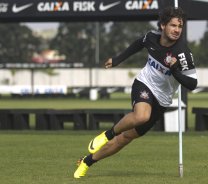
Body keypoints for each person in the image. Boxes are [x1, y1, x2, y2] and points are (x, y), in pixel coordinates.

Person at [74, 6, 197, 179]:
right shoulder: (151, 37)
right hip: (144, 84)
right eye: (173, 25)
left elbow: (192, 84)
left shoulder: (183, 53)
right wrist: (117, 60)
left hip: (162, 101)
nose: (177, 30)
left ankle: (86, 161)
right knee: (141, 116)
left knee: (124, 139)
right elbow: (138, 44)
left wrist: (175, 71)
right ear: (163, 26)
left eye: (180, 26)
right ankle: (106, 134)